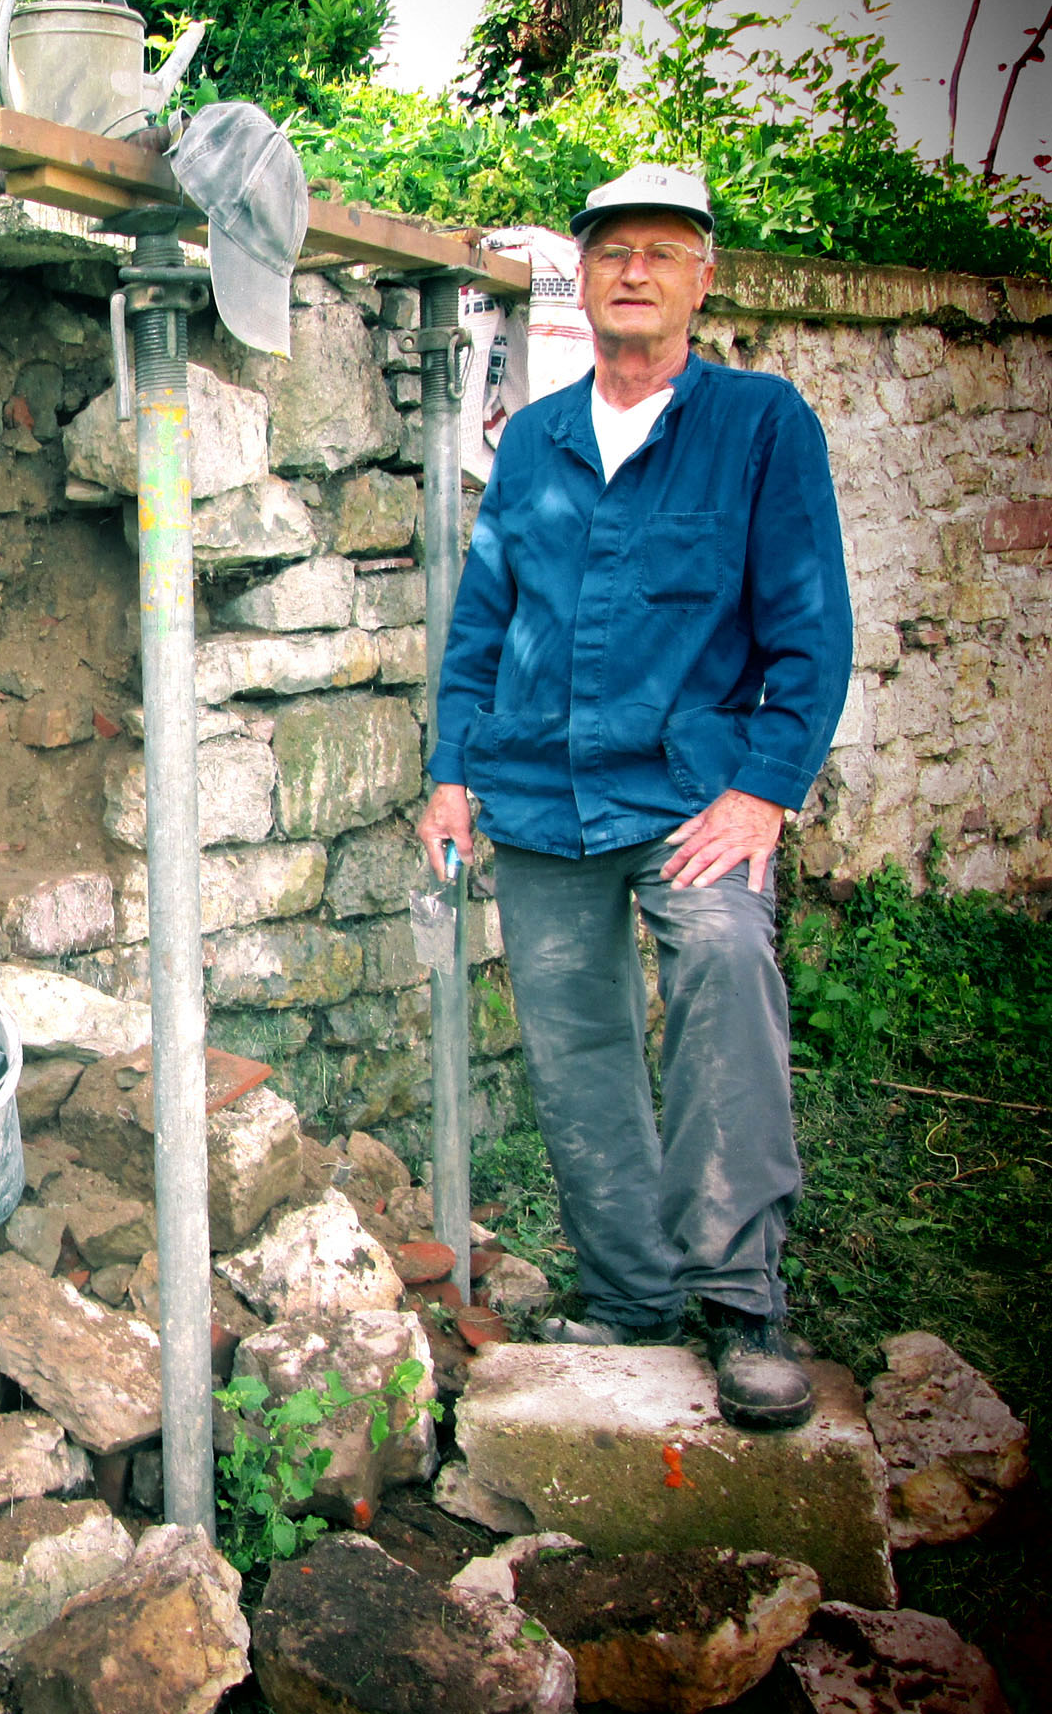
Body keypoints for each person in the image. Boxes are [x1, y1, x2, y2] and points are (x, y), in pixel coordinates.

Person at [417, 164, 854, 1431]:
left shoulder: (760, 424)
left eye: (664, 251)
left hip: (686, 800)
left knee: (724, 987)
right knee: (574, 1047)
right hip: (541, 799)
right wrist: (451, 772)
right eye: (613, 249)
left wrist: (764, 791)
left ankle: (739, 1300)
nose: (635, 270)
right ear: (586, 271)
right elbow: (482, 620)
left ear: (699, 276)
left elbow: (809, 628)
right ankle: (629, 1293)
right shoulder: (539, 438)